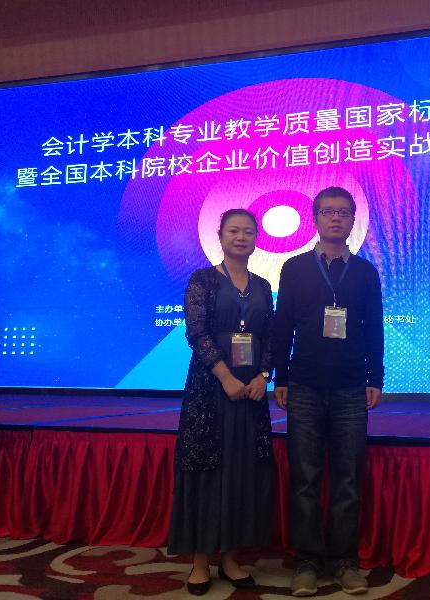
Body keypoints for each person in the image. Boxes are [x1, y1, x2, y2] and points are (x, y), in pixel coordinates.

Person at [272, 186, 384, 596]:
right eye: (328, 211)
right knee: (305, 478)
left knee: (348, 478)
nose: (336, 218)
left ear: (353, 220)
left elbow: (374, 327)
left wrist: (376, 378)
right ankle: (306, 562)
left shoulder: (366, 272)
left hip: (352, 388)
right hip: (303, 386)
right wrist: (280, 378)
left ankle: (344, 561)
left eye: (343, 212)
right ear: (315, 219)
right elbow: (283, 325)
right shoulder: (294, 267)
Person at [168, 208, 274, 596]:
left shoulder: (263, 285)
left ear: (256, 239)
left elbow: (270, 336)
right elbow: (196, 333)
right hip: (210, 390)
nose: (241, 237)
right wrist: (226, 376)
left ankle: (230, 557)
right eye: (233, 231)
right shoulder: (203, 280)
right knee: (207, 471)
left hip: (251, 393)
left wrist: (263, 376)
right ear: (220, 236)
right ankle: (200, 562)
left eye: (248, 232)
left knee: (242, 471)